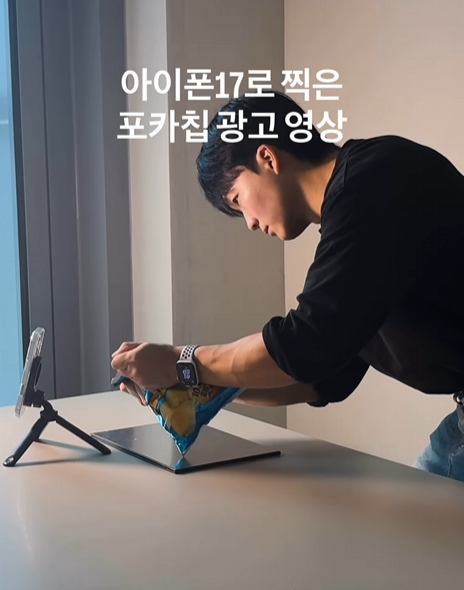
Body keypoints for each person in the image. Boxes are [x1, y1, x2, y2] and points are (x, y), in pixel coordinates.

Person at [111, 91, 464, 481]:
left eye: (238, 199)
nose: (249, 222)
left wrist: (182, 361)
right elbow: (325, 373)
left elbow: (304, 344)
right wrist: (191, 382)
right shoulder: (359, 204)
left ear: (267, 157)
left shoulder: (374, 182)